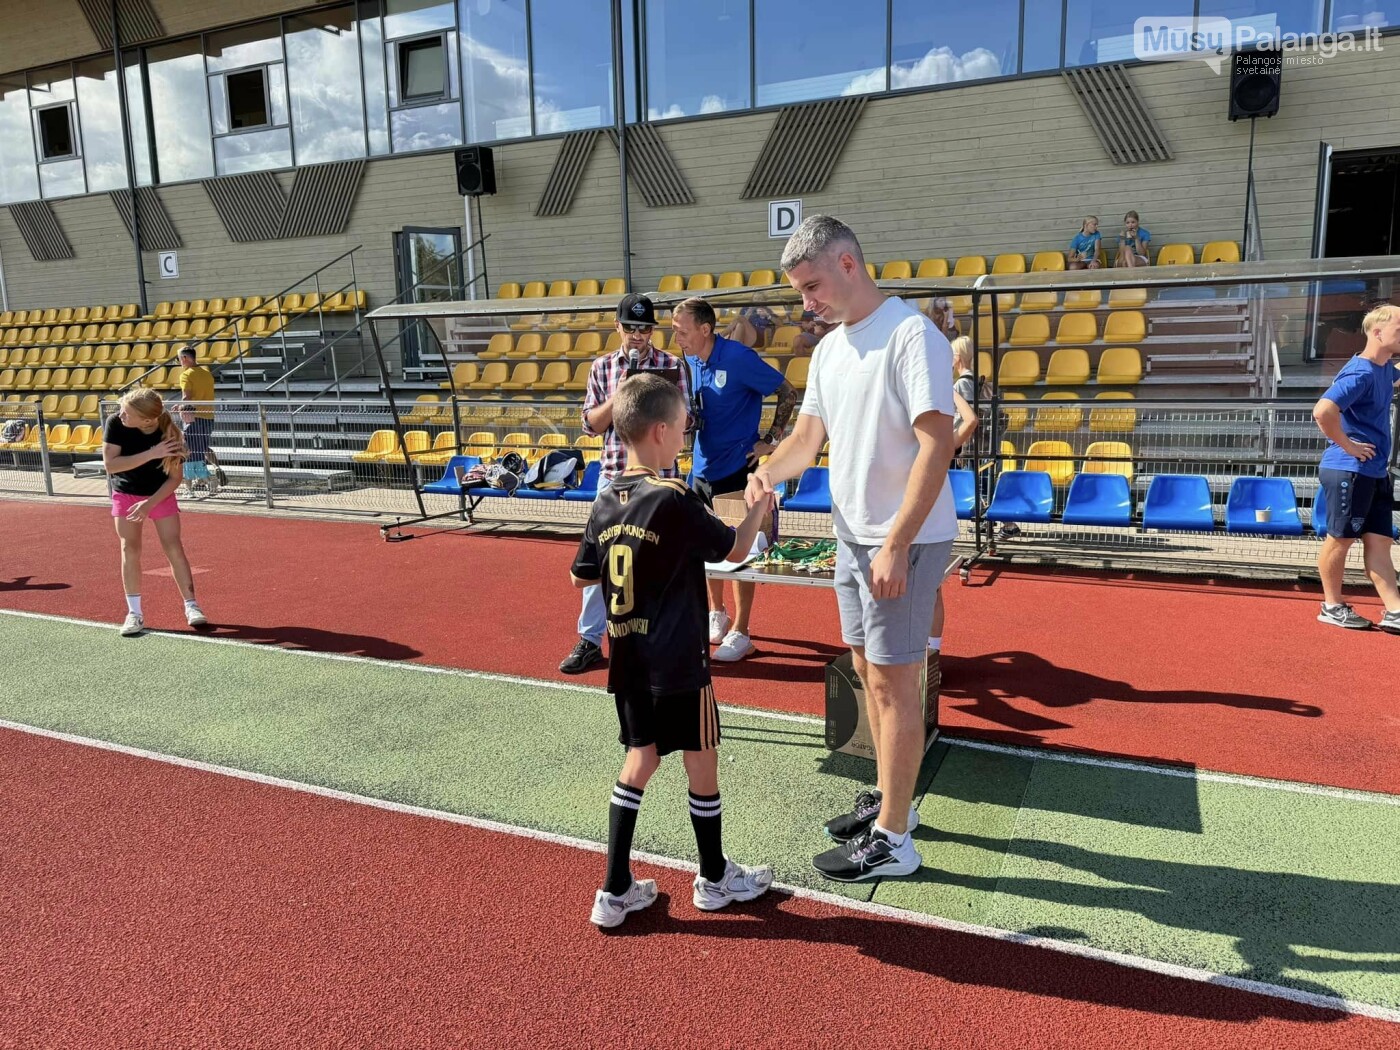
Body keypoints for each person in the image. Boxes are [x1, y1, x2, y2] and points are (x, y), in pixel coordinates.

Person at [748, 215, 957, 883]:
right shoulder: (832, 349)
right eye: (799, 293)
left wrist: (895, 542)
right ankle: (894, 804)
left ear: (846, 264)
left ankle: (896, 839)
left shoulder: (909, 335)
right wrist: (765, 473)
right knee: (870, 673)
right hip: (851, 533)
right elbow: (806, 442)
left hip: (903, 539)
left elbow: (938, 443)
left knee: (896, 685)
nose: (805, 304)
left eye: (811, 288)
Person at [570, 373, 775, 928]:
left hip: (628, 656)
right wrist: (757, 504)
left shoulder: (606, 499)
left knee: (640, 760)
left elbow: (582, 575)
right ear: (660, 431)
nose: (685, 437)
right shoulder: (674, 497)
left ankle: (614, 889)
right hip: (680, 661)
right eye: (683, 427)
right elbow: (732, 549)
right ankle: (713, 876)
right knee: (701, 758)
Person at [560, 293, 691, 674]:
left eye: (645, 328)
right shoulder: (601, 368)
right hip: (613, 476)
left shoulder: (671, 365)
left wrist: (660, 402)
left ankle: (664, 640)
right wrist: (622, 395)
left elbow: (690, 419)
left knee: (665, 558)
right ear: (617, 327)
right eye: (631, 327)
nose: (638, 336)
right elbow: (590, 426)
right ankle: (590, 639)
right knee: (603, 562)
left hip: (661, 478)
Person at [672, 296, 800, 662]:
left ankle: (742, 630)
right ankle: (717, 612)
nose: (676, 336)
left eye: (682, 330)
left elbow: (787, 392)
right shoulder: (690, 361)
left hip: (736, 470)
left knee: (740, 552)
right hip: (700, 471)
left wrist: (770, 440)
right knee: (703, 547)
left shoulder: (739, 358)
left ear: (705, 329)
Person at [1312, 302, 1400, 632]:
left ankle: (1394, 611)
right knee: (1341, 539)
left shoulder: (1384, 369)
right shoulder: (1360, 371)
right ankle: (1331, 606)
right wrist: (1348, 445)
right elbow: (1323, 411)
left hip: (1374, 471)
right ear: (1377, 333)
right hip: (1350, 469)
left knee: (1380, 542)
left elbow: (1395, 378)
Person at [102, 388, 208, 637]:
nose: (121, 415)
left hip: (160, 493)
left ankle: (192, 606)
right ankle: (134, 613)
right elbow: (111, 465)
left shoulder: (169, 432)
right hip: (125, 492)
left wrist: (149, 503)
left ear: (147, 420)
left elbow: (175, 478)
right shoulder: (116, 423)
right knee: (130, 548)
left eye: (127, 412)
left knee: (173, 546)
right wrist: (152, 453)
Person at [175, 345, 224, 497]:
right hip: (208, 416)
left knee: (189, 453)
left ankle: (204, 481)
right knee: (200, 449)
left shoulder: (186, 374)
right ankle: (207, 479)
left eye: (179, 359)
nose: (179, 362)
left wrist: (181, 407)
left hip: (193, 417)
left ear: (184, 358)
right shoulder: (207, 374)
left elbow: (187, 396)